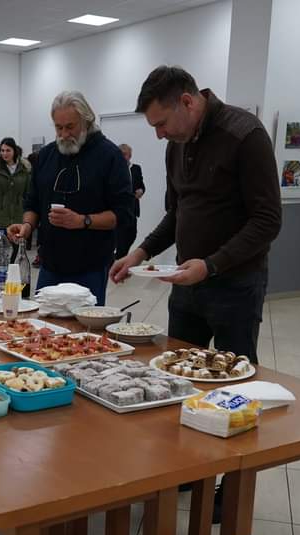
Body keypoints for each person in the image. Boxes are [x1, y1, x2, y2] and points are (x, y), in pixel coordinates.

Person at [111, 65, 282, 366]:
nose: (159, 135)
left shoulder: (245, 134)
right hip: (186, 282)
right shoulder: (176, 146)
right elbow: (177, 213)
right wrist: (140, 252)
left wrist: (210, 265)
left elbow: (267, 220)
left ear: (187, 102)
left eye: (161, 124)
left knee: (233, 372)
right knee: (179, 367)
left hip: (236, 286)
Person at [7, 91, 133, 305]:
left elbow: (123, 214)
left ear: (86, 121)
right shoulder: (46, 156)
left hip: (90, 266)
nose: (64, 134)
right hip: (49, 264)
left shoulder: (109, 156)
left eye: (70, 127)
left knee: (84, 325)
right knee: (41, 322)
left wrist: (83, 221)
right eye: (59, 127)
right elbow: (33, 202)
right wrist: (26, 226)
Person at [114, 143, 146, 260]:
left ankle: (119, 258)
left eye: (125, 154)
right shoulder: (114, 169)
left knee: (132, 235)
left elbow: (141, 185)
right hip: (120, 208)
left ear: (130, 155)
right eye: (120, 154)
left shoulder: (136, 168)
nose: (123, 157)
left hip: (133, 208)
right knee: (120, 236)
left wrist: (141, 190)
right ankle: (119, 260)